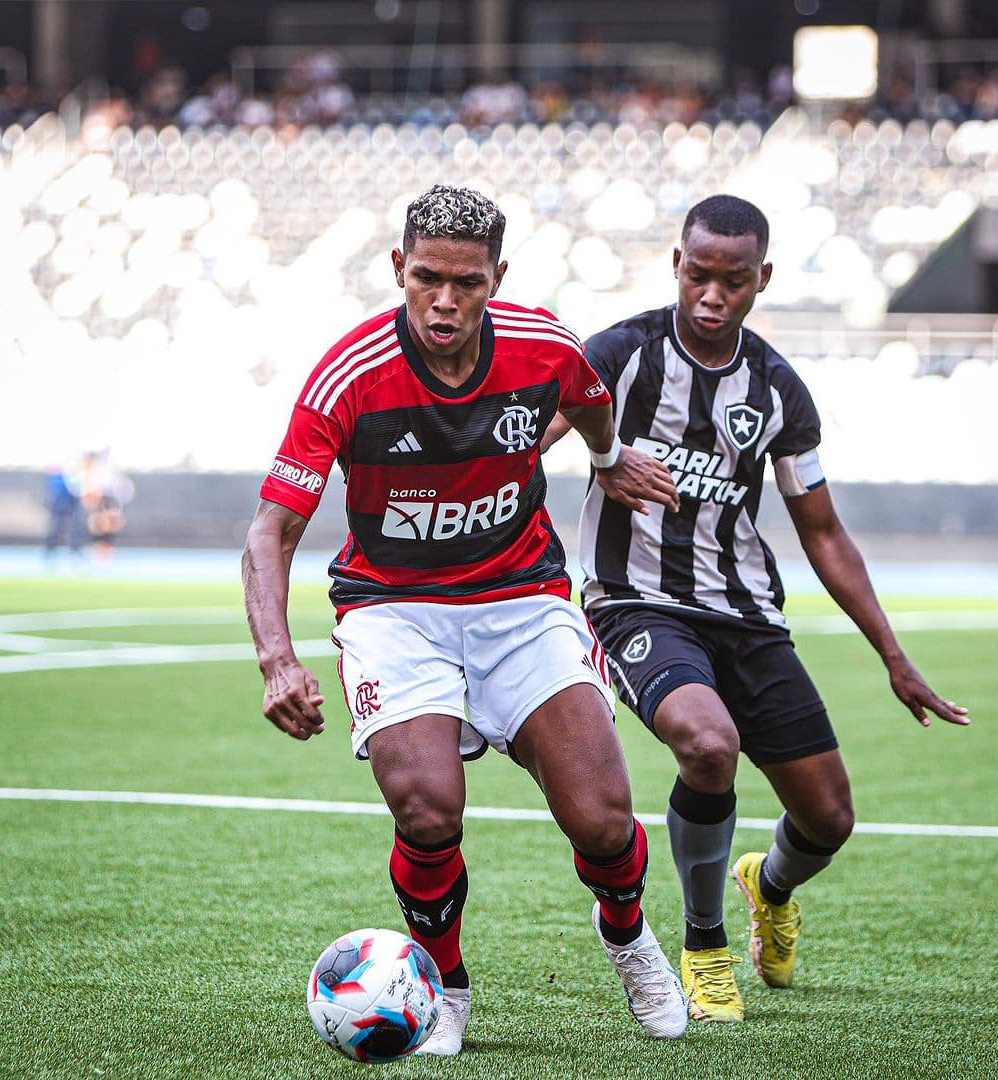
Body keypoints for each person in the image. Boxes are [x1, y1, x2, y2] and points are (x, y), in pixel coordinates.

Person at [242, 185, 688, 1056]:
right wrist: (276, 660)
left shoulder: (542, 345)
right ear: (398, 268)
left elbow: (587, 394)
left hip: (521, 599)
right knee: (426, 806)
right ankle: (444, 986)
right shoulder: (349, 373)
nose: (445, 302)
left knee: (602, 819)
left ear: (497, 279)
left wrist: (605, 455)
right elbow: (272, 529)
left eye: (467, 283)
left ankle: (629, 935)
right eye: (428, 278)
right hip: (394, 609)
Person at [541, 194, 970, 1024]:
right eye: (698, 275)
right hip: (635, 603)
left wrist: (893, 655)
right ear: (677, 264)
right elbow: (527, 445)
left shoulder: (777, 389)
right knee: (709, 745)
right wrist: (603, 458)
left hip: (746, 615)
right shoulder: (619, 355)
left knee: (828, 818)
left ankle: (766, 887)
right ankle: (704, 949)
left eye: (733, 281)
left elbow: (823, 531)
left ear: (761, 279)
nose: (712, 295)